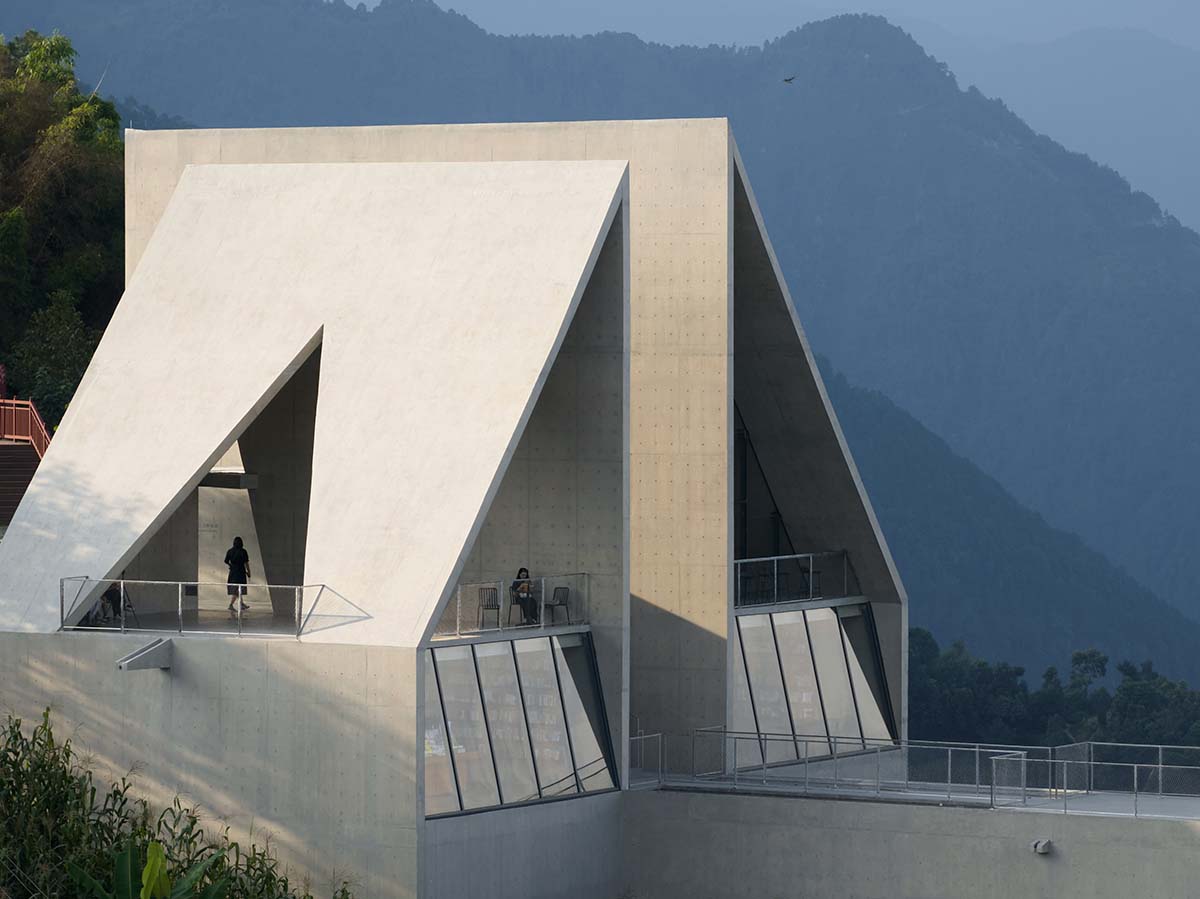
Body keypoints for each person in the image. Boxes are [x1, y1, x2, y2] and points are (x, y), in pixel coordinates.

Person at [224, 536, 251, 612]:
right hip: (241, 572)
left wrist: (231, 565)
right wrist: (249, 572)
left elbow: (226, 561)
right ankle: (231, 605)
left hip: (233, 572)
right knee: (238, 589)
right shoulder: (243, 551)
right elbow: (246, 563)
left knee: (237, 588)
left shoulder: (230, 551)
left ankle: (241, 604)